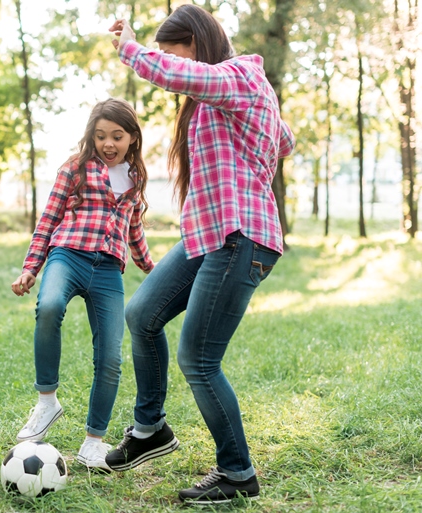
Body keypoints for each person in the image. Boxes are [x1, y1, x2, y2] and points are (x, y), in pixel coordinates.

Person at [105, 5, 295, 504]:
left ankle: (238, 474)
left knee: (199, 358)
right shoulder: (227, 93)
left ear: (197, 42)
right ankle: (151, 430)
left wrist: (133, 47)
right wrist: (267, 124)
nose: (171, 66)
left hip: (242, 235)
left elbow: (178, 74)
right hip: (208, 234)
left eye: (174, 52)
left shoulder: (238, 75)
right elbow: (285, 140)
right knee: (142, 314)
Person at [11, 98, 154, 472]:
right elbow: (49, 219)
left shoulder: (136, 178)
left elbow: (134, 231)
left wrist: (153, 269)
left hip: (109, 270)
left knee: (110, 356)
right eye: (101, 135)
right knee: (50, 306)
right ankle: (47, 401)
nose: (109, 143)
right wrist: (31, 267)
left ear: (132, 138)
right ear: (91, 135)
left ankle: (94, 441)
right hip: (67, 255)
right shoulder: (75, 168)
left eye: (117, 136)